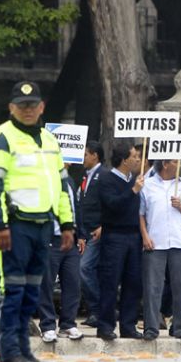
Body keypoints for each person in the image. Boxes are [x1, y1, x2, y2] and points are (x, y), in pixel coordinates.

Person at [0, 81, 74, 362]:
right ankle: (9, 357)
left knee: (31, 293)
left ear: (42, 107)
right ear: (11, 108)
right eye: (22, 106)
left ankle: (24, 354)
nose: (28, 110)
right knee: (12, 292)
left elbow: (61, 186)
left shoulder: (49, 140)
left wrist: (68, 223)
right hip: (15, 227)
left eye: (33, 105)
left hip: (43, 225)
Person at [139, 159, 181, 341]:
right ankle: (151, 327)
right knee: (152, 286)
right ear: (165, 163)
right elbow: (140, 214)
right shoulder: (147, 185)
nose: (179, 163)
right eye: (175, 161)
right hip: (155, 241)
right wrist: (145, 236)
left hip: (179, 241)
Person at [94, 142, 144, 341]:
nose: (138, 160)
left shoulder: (135, 179)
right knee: (110, 281)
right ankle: (105, 325)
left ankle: (128, 325)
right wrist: (132, 191)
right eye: (134, 157)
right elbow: (112, 204)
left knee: (133, 282)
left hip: (134, 236)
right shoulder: (106, 178)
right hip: (114, 235)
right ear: (124, 160)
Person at [38, 166, 83, 343]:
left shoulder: (69, 180)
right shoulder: (43, 177)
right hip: (51, 238)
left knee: (73, 282)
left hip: (70, 239)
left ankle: (68, 324)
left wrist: (80, 235)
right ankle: (48, 326)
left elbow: (75, 207)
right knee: (46, 283)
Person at [76, 141, 107, 328]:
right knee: (88, 270)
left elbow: (109, 203)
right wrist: (80, 234)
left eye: (85, 154)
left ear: (95, 155)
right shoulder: (85, 176)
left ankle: (98, 309)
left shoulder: (103, 175)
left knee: (84, 268)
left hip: (98, 232)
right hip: (85, 233)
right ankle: (96, 311)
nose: (83, 158)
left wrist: (103, 226)